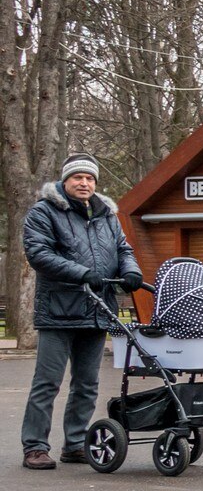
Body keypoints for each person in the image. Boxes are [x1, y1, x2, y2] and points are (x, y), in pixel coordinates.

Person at [20, 155, 141, 469]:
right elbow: (38, 253)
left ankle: (75, 444)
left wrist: (131, 271)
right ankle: (35, 447)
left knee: (87, 384)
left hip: (97, 309)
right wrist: (82, 273)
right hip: (58, 312)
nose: (84, 183)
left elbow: (123, 250)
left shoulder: (107, 216)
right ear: (65, 180)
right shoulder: (44, 212)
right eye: (78, 177)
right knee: (47, 382)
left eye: (90, 178)